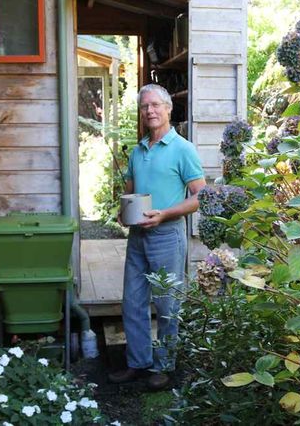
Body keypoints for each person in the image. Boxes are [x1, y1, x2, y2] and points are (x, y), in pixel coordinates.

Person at [108, 84, 206, 390]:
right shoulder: (138, 151)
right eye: (144, 107)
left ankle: (164, 365)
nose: (149, 111)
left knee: (166, 303)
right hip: (137, 236)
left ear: (168, 109)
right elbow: (129, 190)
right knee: (133, 302)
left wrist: (164, 214)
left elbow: (200, 197)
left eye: (155, 105)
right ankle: (137, 362)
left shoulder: (183, 149)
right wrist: (123, 211)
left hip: (167, 235)